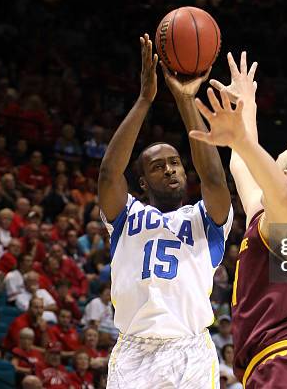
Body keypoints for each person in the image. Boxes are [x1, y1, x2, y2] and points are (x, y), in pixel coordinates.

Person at [196, 52, 287, 388]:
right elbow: (241, 167)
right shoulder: (267, 220)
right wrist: (246, 106)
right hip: (275, 372)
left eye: (273, 166)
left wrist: (243, 141)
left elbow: (282, 195)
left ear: (283, 176)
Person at [98, 34, 232, 388]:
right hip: (133, 351)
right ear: (142, 183)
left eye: (175, 162)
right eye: (158, 166)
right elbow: (110, 173)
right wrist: (145, 100)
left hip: (189, 348)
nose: (171, 169)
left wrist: (186, 100)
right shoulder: (126, 216)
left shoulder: (204, 218)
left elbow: (215, 179)